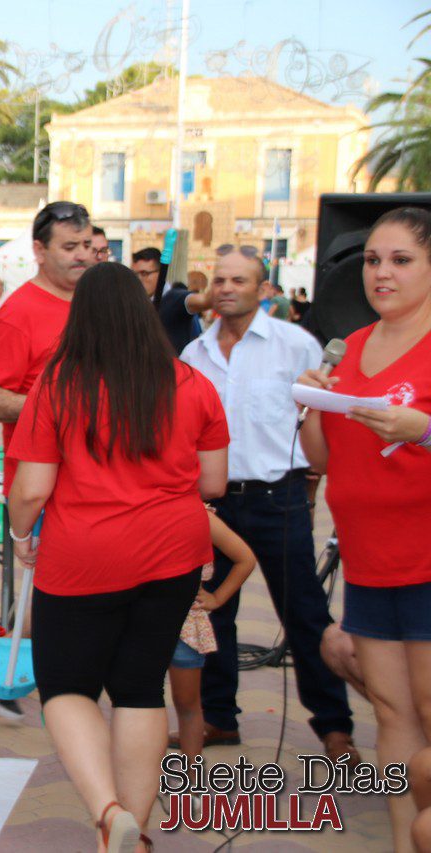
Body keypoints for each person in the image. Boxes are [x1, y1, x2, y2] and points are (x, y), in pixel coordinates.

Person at [7, 262, 230, 853]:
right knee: (138, 686)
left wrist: (21, 535)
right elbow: (213, 483)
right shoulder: (193, 384)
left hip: (86, 554)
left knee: (66, 686)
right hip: (175, 553)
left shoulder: (59, 384)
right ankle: (134, 829)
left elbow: (31, 490)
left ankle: (108, 812)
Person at [179, 242, 356, 763]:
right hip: (211, 504)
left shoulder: (295, 345)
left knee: (304, 613)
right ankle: (217, 719)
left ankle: (335, 728)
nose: (227, 289)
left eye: (239, 281)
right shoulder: (194, 354)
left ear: (266, 290)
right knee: (210, 612)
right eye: (221, 280)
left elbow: (321, 416)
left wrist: (313, 483)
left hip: (278, 498)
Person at [298, 207, 431, 852]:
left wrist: (424, 430)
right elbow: (326, 461)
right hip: (369, 560)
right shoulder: (347, 346)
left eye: (401, 260)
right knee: (393, 714)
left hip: (428, 558)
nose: (382, 273)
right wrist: (311, 406)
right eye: (374, 260)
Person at [0, 201, 93, 473]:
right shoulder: (18, 314)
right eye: (69, 247)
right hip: (39, 491)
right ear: (39, 250)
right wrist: (63, 408)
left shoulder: (95, 302)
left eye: (86, 245)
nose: (82, 255)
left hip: (94, 482)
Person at [169, 510, 255, 762]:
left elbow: (245, 558)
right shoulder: (129, 508)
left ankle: (192, 781)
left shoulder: (197, 514)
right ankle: (137, 780)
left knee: (187, 703)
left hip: (184, 622)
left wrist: (218, 597)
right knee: (141, 702)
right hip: (138, 621)